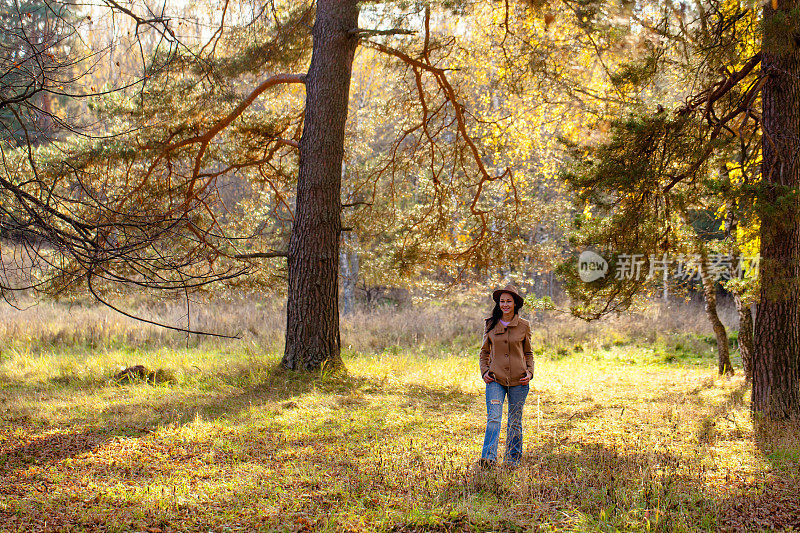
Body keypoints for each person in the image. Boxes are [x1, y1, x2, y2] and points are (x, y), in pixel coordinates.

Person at [478, 284, 534, 469]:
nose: (505, 305)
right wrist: (485, 371)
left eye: (508, 301)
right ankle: (488, 459)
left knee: (515, 421)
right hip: (495, 380)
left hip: (519, 380)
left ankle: (512, 461)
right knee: (494, 418)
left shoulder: (524, 326)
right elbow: (484, 352)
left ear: (515, 303)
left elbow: (528, 353)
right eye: (502, 301)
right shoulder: (490, 323)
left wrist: (530, 372)